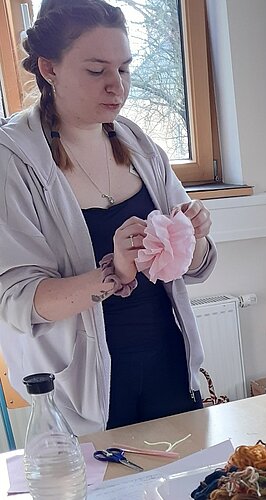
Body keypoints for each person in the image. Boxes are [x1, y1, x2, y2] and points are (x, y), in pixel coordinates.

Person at [0, 0, 217, 434]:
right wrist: (113, 274)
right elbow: (19, 301)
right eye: (97, 71)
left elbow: (197, 268)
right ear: (49, 68)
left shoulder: (138, 144)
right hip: (80, 391)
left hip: (169, 365)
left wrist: (193, 238)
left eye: (125, 69)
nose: (116, 86)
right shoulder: (13, 160)